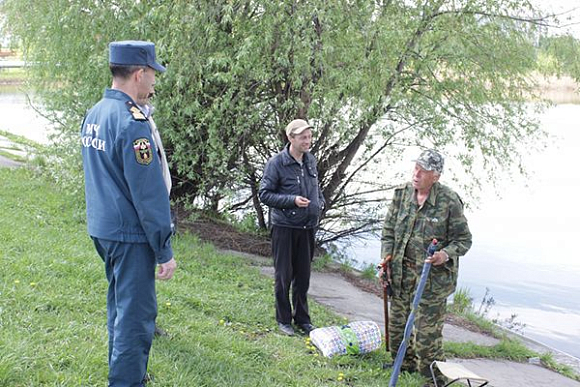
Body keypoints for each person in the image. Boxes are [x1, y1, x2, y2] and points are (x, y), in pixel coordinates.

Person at [81, 40, 177, 386]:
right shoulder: (132, 122)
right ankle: (126, 381)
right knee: (136, 318)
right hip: (129, 234)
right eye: (153, 74)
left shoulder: (95, 113)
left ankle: (126, 372)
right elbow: (148, 195)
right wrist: (164, 249)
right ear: (139, 73)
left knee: (119, 309)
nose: (154, 82)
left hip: (104, 228)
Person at [380, 149, 472, 383]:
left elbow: (464, 240)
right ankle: (404, 365)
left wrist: (444, 254)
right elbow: (388, 232)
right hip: (400, 275)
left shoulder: (449, 201)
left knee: (425, 339)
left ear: (436, 176)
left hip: (431, 282)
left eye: (423, 171)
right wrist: (386, 260)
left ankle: (433, 379)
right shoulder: (402, 194)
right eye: (415, 168)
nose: (416, 174)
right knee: (398, 329)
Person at [259, 118, 325, 336]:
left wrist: (319, 203)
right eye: (303, 137)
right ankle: (284, 320)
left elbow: (316, 187)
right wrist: (292, 200)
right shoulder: (276, 163)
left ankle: (303, 320)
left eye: (309, 136)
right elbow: (265, 194)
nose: (308, 141)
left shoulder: (311, 161)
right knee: (284, 275)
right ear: (291, 138)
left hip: (307, 227)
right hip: (284, 227)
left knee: (303, 277)